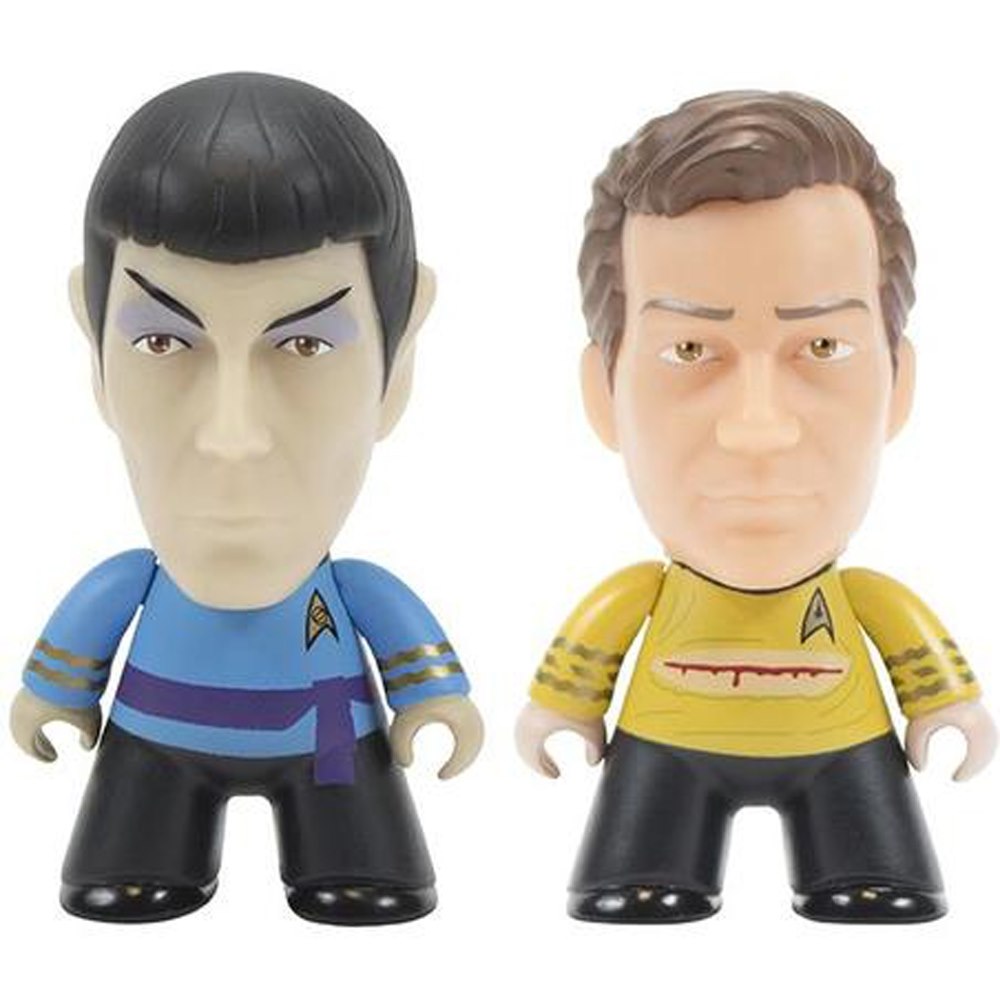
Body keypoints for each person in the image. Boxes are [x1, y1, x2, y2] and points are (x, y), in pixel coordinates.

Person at [10, 72, 483, 925]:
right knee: (131, 858)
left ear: (399, 361)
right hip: (152, 745)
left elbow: (413, 657)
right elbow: (73, 653)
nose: (233, 436)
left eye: (306, 345)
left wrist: (432, 698)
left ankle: (356, 860)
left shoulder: (353, 595)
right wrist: (56, 692)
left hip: (333, 741)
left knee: (359, 861)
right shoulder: (130, 583)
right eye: (162, 340)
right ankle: (140, 851)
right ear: (94, 354)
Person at [515, 90, 995, 924]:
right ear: (602, 395)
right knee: (639, 879)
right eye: (689, 349)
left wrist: (946, 704)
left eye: (824, 347)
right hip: (663, 752)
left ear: (899, 387)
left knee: (875, 879)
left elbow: (926, 668)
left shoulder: (868, 601)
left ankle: (868, 864)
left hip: (847, 753)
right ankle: (646, 863)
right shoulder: (639, 597)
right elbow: (578, 670)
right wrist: (562, 707)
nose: (758, 428)